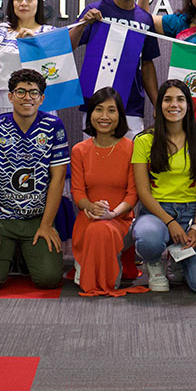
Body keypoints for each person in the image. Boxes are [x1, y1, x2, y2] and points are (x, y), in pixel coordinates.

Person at [0, 68, 68, 290]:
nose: (27, 98)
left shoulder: (54, 127)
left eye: (34, 93)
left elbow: (58, 179)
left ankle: (26, 253)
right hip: (2, 217)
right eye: (21, 92)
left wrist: (46, 225)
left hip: (37, 218)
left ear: (42, 98)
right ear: (10, 96)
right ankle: (11, 250)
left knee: (49, 279)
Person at [131, 78, 196, 294]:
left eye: (181, 99)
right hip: (156, 213)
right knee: (149, 238)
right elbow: (143, 192)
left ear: (189, 105)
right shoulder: (144, 140)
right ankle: (153, 263)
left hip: (191, 213)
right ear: (159, 106)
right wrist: (170, 222)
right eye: (168, 100)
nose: (174, 105)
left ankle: (177, 259)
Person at [68, 87, 140, 296]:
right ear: (90, 115)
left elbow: (133, 194)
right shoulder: (79, 150)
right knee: (96, 230)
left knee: (104, 229)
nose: (104, 116)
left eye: (111, 110)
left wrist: (112, 214)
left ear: (120, 115)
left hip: (120, 220)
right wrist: (91, 208)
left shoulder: (132, 148)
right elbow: (78, 192)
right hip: (88, 220)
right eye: (99, 110)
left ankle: (107, 268)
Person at [76, 0, 161, 128]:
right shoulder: (95, 10)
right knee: (95, 154)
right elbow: (69, 45)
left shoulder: (145, 19)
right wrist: (82, 23)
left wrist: (157, 102)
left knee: (132, 155)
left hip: (131, 106)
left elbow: (147, 64)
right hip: (95, 102)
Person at [0, 0, 49, 111]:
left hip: (39, 105)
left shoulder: (50, 34)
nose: (24, 3)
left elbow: (55, 71)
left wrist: (34, 42)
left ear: (38, 3)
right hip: (4, 103)